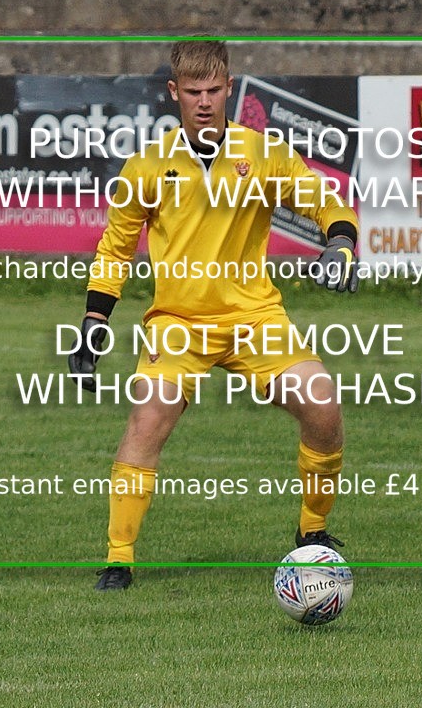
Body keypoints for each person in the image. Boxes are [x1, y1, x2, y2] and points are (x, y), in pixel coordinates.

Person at [69, 40, 359, 590]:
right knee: (147, 419)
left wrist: (340, 244)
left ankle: (312, 534)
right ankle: (118, 558)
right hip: (178, 322)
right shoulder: (149, 165)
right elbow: (115, 248)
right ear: (174, 94)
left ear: (230, 88)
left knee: (323, 405)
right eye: (193, 92)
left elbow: (328, 202)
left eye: (214, 90)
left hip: (253, 319)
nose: (204, 102)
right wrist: (94, 324)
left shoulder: (265, 154)